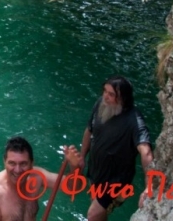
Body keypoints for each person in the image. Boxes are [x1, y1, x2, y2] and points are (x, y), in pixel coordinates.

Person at [65, 75, 155, 221]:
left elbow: (146, 152)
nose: (105, 97)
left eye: (111, 94)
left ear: (123, 98)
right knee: (98, 212)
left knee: (93, 214)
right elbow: (89, 130)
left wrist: (148, 187)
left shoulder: (134, 120)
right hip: (96, 173)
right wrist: (82, 158)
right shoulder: (101, 104)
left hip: (117, 181)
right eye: (105, 91)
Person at [0, 136, 60, 221]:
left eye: (23, 164)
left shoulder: (37, 177)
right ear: (4, 162)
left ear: (31, 163)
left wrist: (74, 165)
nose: (18, 170)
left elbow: (71, 186)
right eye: (12, 163)